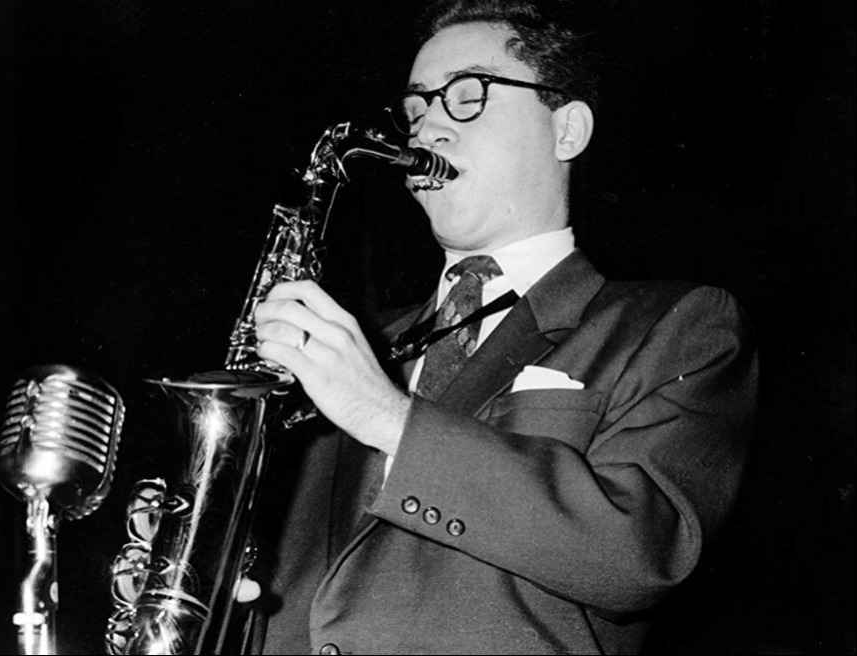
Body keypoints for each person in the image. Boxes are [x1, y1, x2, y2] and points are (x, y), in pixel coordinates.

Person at [249, 1, 758, 653]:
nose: (427, 128)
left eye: (468, 96)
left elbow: (643, 554)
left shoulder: (676, 325)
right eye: (415, 109)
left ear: (567, 130)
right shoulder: (355, 346)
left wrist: (386, 416)